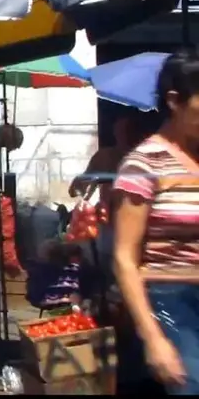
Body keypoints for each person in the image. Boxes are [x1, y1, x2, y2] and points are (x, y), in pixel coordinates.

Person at [113, 49, 199, 394]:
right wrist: (153, 337)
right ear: (175, 101)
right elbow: (124, 258)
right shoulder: (144, 164)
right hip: (169, 300)